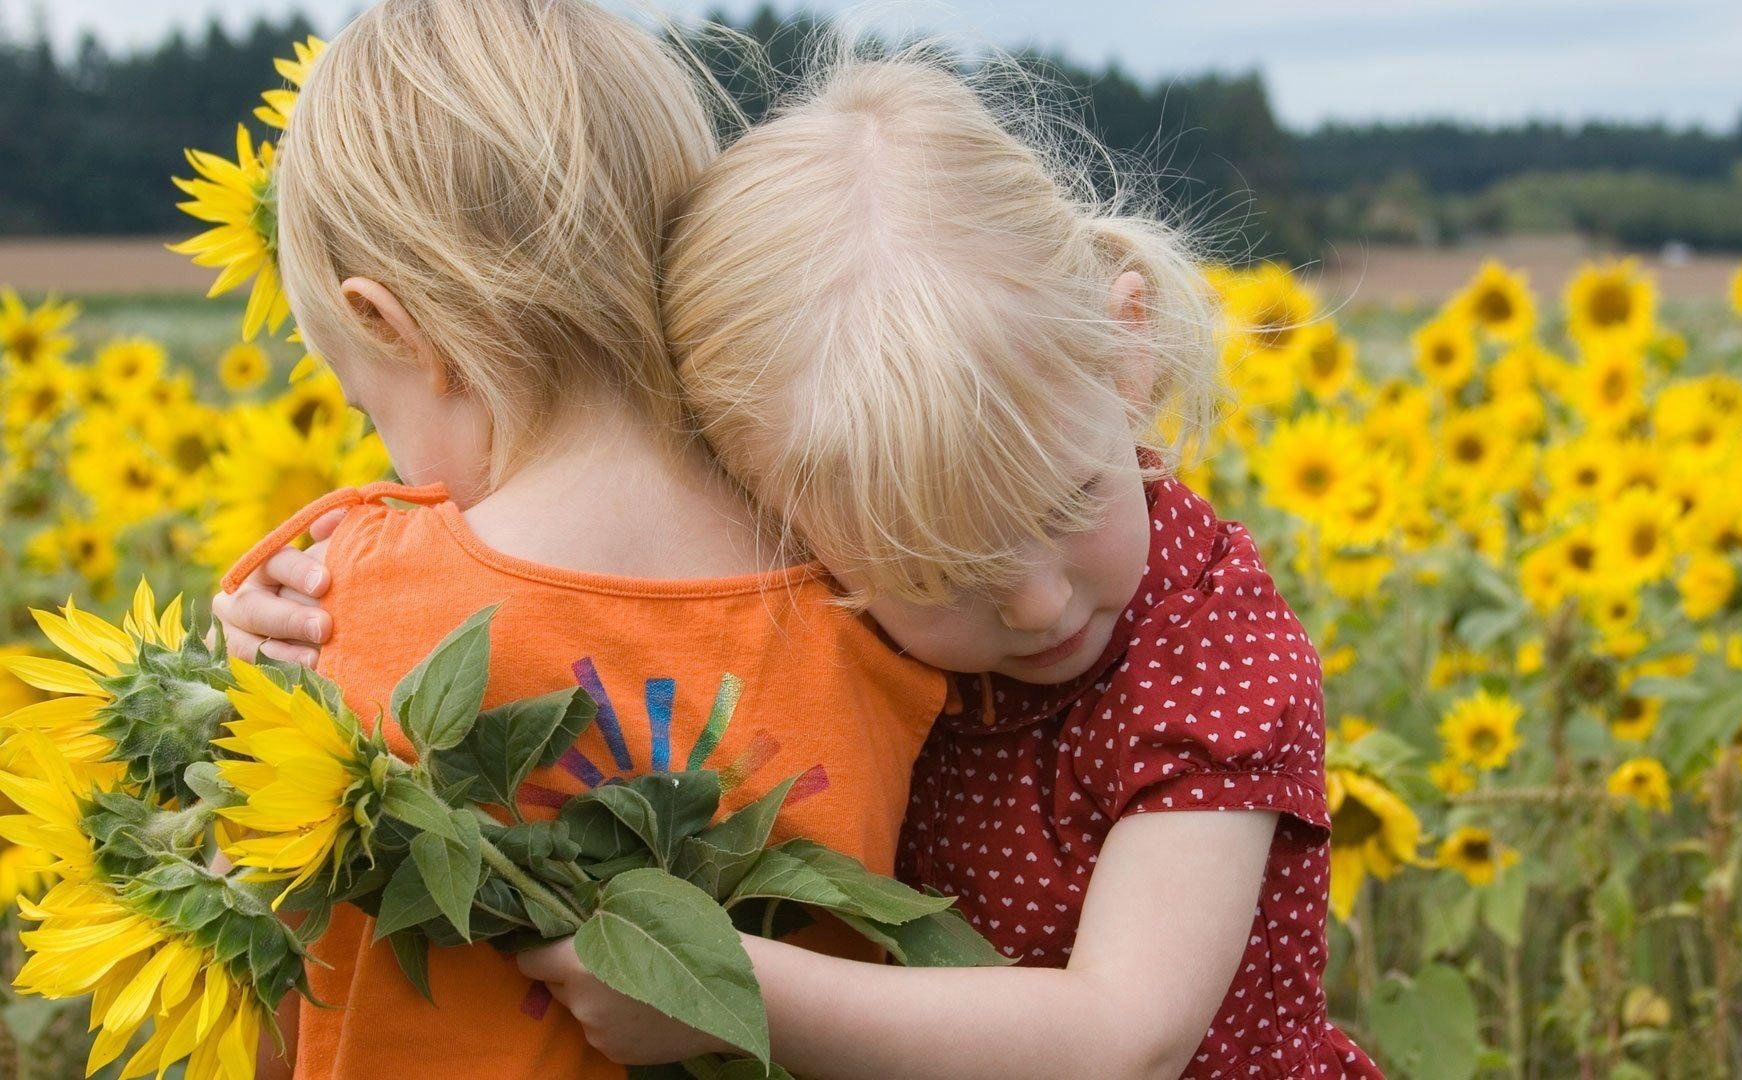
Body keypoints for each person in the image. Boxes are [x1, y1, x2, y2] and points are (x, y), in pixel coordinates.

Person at [226, 47, 1380, 1080]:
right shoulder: (812, 554)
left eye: (1068, 499)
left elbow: (1127, 1037)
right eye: (934, 572)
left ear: (1125, 359)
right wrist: (282, 646)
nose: (1034, 602)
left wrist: (725, 992)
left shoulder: (1211, 654)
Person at [216, 5, 947, 1079]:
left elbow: (266, 1018)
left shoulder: (325, 608)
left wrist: (256, 722)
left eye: (366, 405)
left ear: (388, 325)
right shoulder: (879, 585)